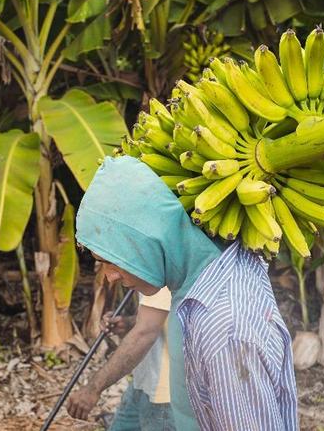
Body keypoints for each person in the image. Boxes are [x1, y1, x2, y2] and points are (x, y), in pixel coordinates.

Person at [75, 155, 299, 431]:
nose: (109, 277)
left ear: (142, 239)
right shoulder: (207, 280)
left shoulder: (223, 326)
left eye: (108, 260)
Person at [67, 288, 175, 430]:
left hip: (164, 392)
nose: (112, 276)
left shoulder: (162, 274)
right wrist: (129, 323)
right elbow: (156, 317)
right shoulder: (154, 273)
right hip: (144, 381)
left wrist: (93, 389)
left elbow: (143, 334)